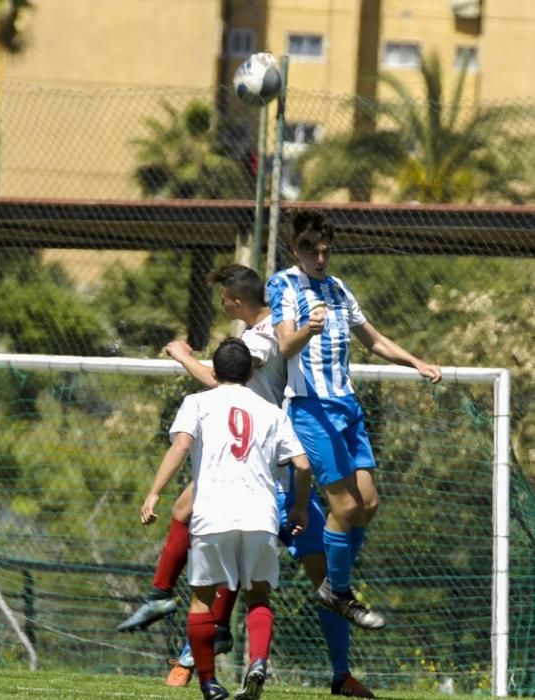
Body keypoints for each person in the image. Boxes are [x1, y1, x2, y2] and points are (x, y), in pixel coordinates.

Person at [121, 263, 377, 698]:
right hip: (263, 467)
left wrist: (184, 357)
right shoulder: (261, 335)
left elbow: (224, 380)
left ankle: (338, 673)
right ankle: (188, 637)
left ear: (237, 301)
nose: (223, 305)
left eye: (224, 299)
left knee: (317, 581)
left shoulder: (259, 339)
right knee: (224, 552)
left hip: (266, 469)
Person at [267, 209, 443, 631]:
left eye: (327, 251)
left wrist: (415, 361)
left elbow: (375, 340)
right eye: (313, 251)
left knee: (368, 504)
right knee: (344, 505)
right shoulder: (284, 284)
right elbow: (286, 346)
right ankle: (339, 591)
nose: (321, 259)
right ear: (297, 250)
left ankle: (334, 582)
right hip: (311, 409)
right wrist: (309, 329)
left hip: (347, 406)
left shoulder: (339, 289)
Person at [140, 337, 312, 700]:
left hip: (212, 515)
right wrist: (298, 507)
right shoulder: (271, 411)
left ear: (214, 372)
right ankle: (259, 662)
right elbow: (302, 464)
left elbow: (182, 445)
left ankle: (208, 682)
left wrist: (155, 492)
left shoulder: (197, 403)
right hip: (260, 515)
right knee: (258, 598)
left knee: (202, 600)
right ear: (251, 372)